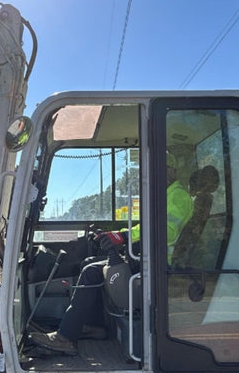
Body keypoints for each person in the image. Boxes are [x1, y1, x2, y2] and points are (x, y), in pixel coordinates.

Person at [29, 151, 193, 355]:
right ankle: (93, 325)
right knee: (88, 262)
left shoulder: (178, 196)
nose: (152, 175)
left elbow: (166, 231)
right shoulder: (164, 195)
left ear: (170, 170)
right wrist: (116, 235)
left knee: (91, 271)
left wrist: (124, 237)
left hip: (159, 263)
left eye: (158, 170)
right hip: (147, 256)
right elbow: (143, 228)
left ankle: (66, 337)